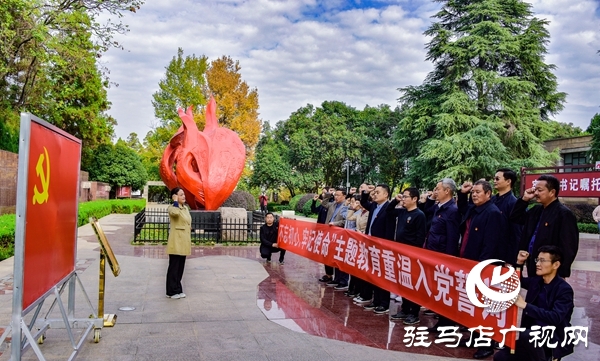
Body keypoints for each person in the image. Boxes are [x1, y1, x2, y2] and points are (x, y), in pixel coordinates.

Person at [493, 246, 575, 361]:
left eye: (543, 260)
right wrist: (519, 263)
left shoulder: (564, 290)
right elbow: (517, 281)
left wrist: (525, 305)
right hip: (529, 335)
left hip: (551, 337)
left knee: (528, 335)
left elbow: (555, 317)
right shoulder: (537, 281)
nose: (537, 264)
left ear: (556, 265)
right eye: (537, 260)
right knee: (501, 357)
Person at [457, 180, 507, 359]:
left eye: (478, 192)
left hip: (483, 269)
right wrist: (463, 193)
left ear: (488, 194)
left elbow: (491, 244)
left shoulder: (492, 213)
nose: (475, 195)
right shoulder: (476, 210)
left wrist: (482, 269)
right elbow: (463, 209)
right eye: (473, 192)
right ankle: (474, 337)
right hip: (469, 264)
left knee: (485, 308)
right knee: (473, 305)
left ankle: (486, 344)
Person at [510, 174, 579, 278]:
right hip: (533, 263)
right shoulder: (536, 210)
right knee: (533, 292)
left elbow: (568, 247)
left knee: (548, 294)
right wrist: (524, 200)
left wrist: (560, 273)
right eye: (535, 190)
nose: (536, 193)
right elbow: (515, 217)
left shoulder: (564, 214)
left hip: (550, 269)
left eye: (540, 190)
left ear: (552, 192)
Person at [425, 178, 461, 329]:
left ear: (447, 191)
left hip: (443, 256)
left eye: (438, 189)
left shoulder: (452, 210)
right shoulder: (439, 207)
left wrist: (449, 259)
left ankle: (447, 323)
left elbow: (452, 237)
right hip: (433, 252)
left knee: (446, 290)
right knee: (437, 289)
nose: (435, 191)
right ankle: (441, 320)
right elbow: (426, 211)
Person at [387, 188, 427, 325]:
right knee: (403, 283)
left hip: (412, 255)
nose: (403, 199)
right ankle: (404, 309)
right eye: (402, 196)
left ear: (414, 199)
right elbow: (389, 212)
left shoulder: (419, 215)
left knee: (413, 284)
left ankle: (413, 312)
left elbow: (420, 237)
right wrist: (395, 200)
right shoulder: (402, 212)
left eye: (406, 197)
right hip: (400, 254)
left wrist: (413, 253)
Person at [360, 183, 394, 314]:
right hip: (370, 245)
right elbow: (363, 202)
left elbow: (389, 230)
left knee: (382, 275)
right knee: (373, 274)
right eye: (374, 192)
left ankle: (384, 303)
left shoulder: (389, 208)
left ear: (386, 194)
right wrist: (366, 191)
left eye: (378, 192)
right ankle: (376, 301)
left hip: (382, 247)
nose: (375, 194)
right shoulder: (374, 205)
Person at [166, 187, 192, 299]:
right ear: (175, 196)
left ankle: (178, 288)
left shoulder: (185, 208)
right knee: (174, 267)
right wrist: (175, 201)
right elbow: (175, 214)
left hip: (184, 241)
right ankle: (171, 291)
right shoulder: (172, 207)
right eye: (181, 195)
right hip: (176, 242)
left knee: (180, 267)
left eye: (184, 194)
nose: (184, 196)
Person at [492, 168, 522, 263]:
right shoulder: (492, 200)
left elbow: (516, 234)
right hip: (490, 251)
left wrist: (511, 259)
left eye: (497, 179)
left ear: (508, 181)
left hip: (504, 254)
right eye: (494, 178)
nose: (494, 181)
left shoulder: (514, 203)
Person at [321, 188, 349, 290]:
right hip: (329, 234)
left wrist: (335, 224)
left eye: (338, 195)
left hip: (340, 234)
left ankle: (343, 280)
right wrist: (328, 194)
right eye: (335, 195)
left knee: (340, 257)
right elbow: (324, 203)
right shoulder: (332, 204)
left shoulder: (347, 205)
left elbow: (346, 221)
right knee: (333, 257)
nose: (336, 197)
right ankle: (336, 279)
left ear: (344, 196)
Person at [312, 190, 334, 283]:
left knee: (329, 254)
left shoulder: (332, 206)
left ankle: (331, 275)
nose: (324, 194)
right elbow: (313, 210)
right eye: (324, 193)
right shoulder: (323, 205)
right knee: (324, 253)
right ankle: (328, 274)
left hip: (329, 232)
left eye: (326, 193)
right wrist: (314, 201)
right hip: (321, 231)